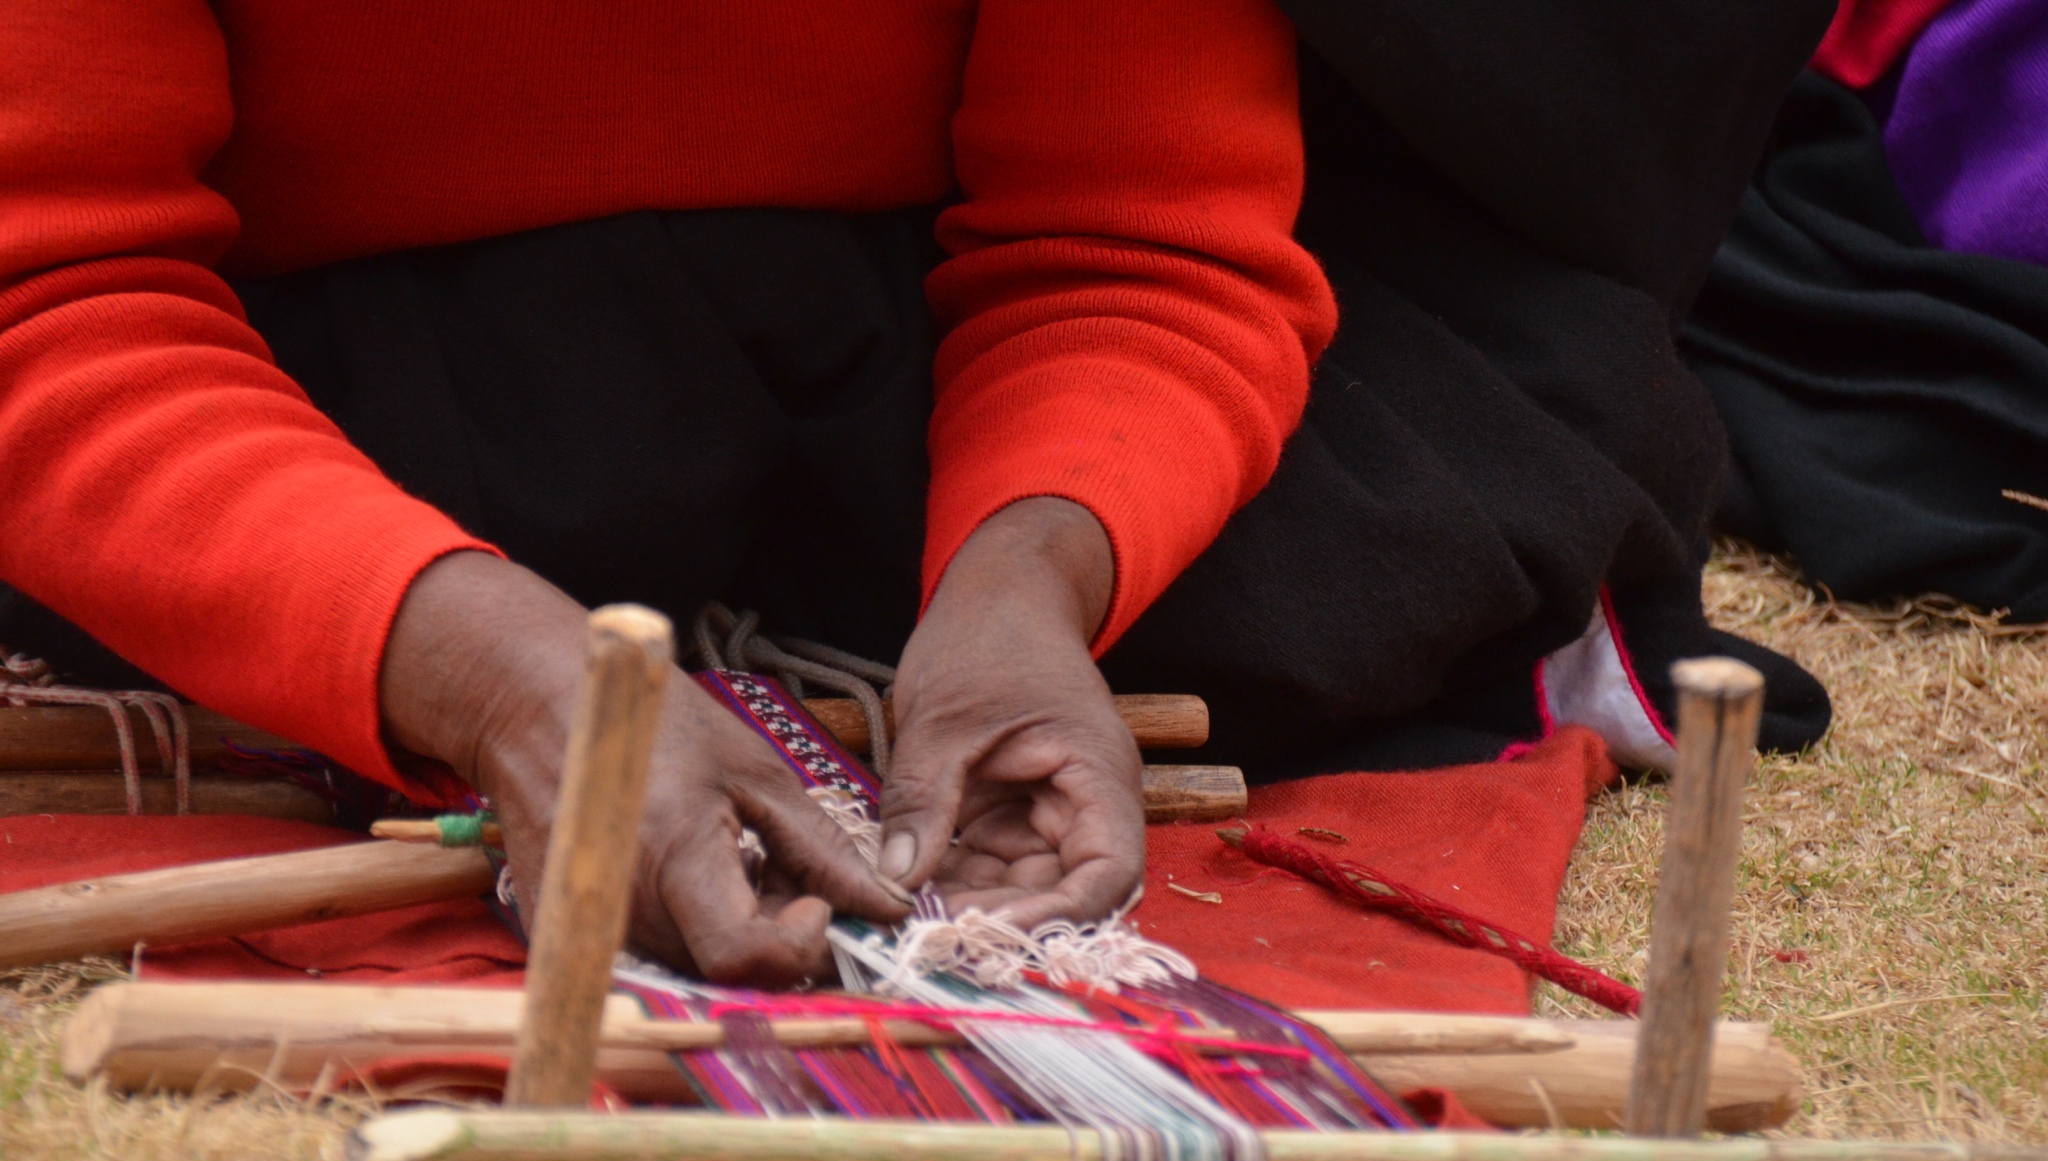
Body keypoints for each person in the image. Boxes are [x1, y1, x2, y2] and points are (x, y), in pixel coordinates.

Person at [0, 1, 1836, 987]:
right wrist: (487, 676)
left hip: (880, 365)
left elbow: (1128, 235)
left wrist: (1028, 585)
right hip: (326, 390)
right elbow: (53, 294)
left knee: (1380, 531)